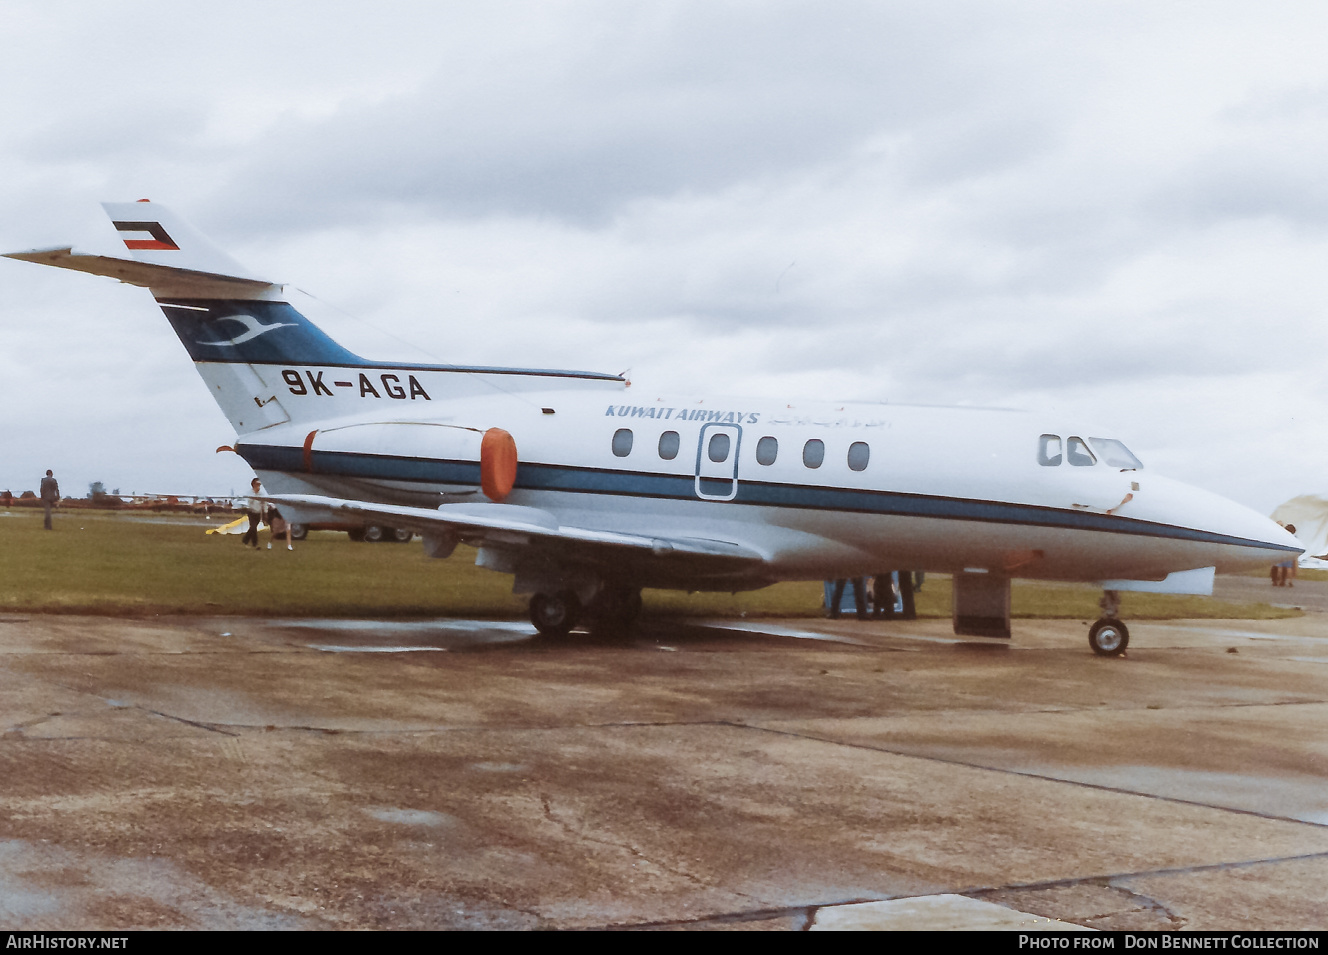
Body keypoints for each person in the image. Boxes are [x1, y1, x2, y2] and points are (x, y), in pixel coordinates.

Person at [241, 478, 263, 549]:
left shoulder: (262, 494)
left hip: (258, 513)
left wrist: (265, 512)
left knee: (253, 528)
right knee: (253, 527)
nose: (258, 486)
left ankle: (245, 540)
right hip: (251, 511)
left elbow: (264, 503)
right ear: (253, 485)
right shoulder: (250, 493)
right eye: (257, 484)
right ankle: (255, 543)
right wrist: (255, 495)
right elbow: (249, 502)